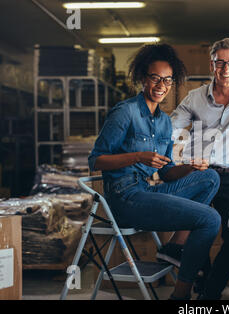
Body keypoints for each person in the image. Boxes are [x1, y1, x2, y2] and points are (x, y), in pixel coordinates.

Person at [88, 44, 221, 300]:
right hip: (125, 197)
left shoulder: (163, 121)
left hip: (148, 190)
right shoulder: (125, 112)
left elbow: (168, 172)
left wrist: (189, 166)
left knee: (209, 177)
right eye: (155, 78)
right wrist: (138, 157)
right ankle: (180, 296)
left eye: (168, 80)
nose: (162, 85)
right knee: (210, 219)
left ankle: (174, 246)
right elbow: (96, 160)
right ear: (142, 78)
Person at [165, 38, 229, 300]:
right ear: (212, 64)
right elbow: (172, 128)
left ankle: (209, 292)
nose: (225, 69)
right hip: (197, 175)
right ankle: (201, 280)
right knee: (199, 230)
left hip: (228, 177)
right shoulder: (195, 97)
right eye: (220, 63)